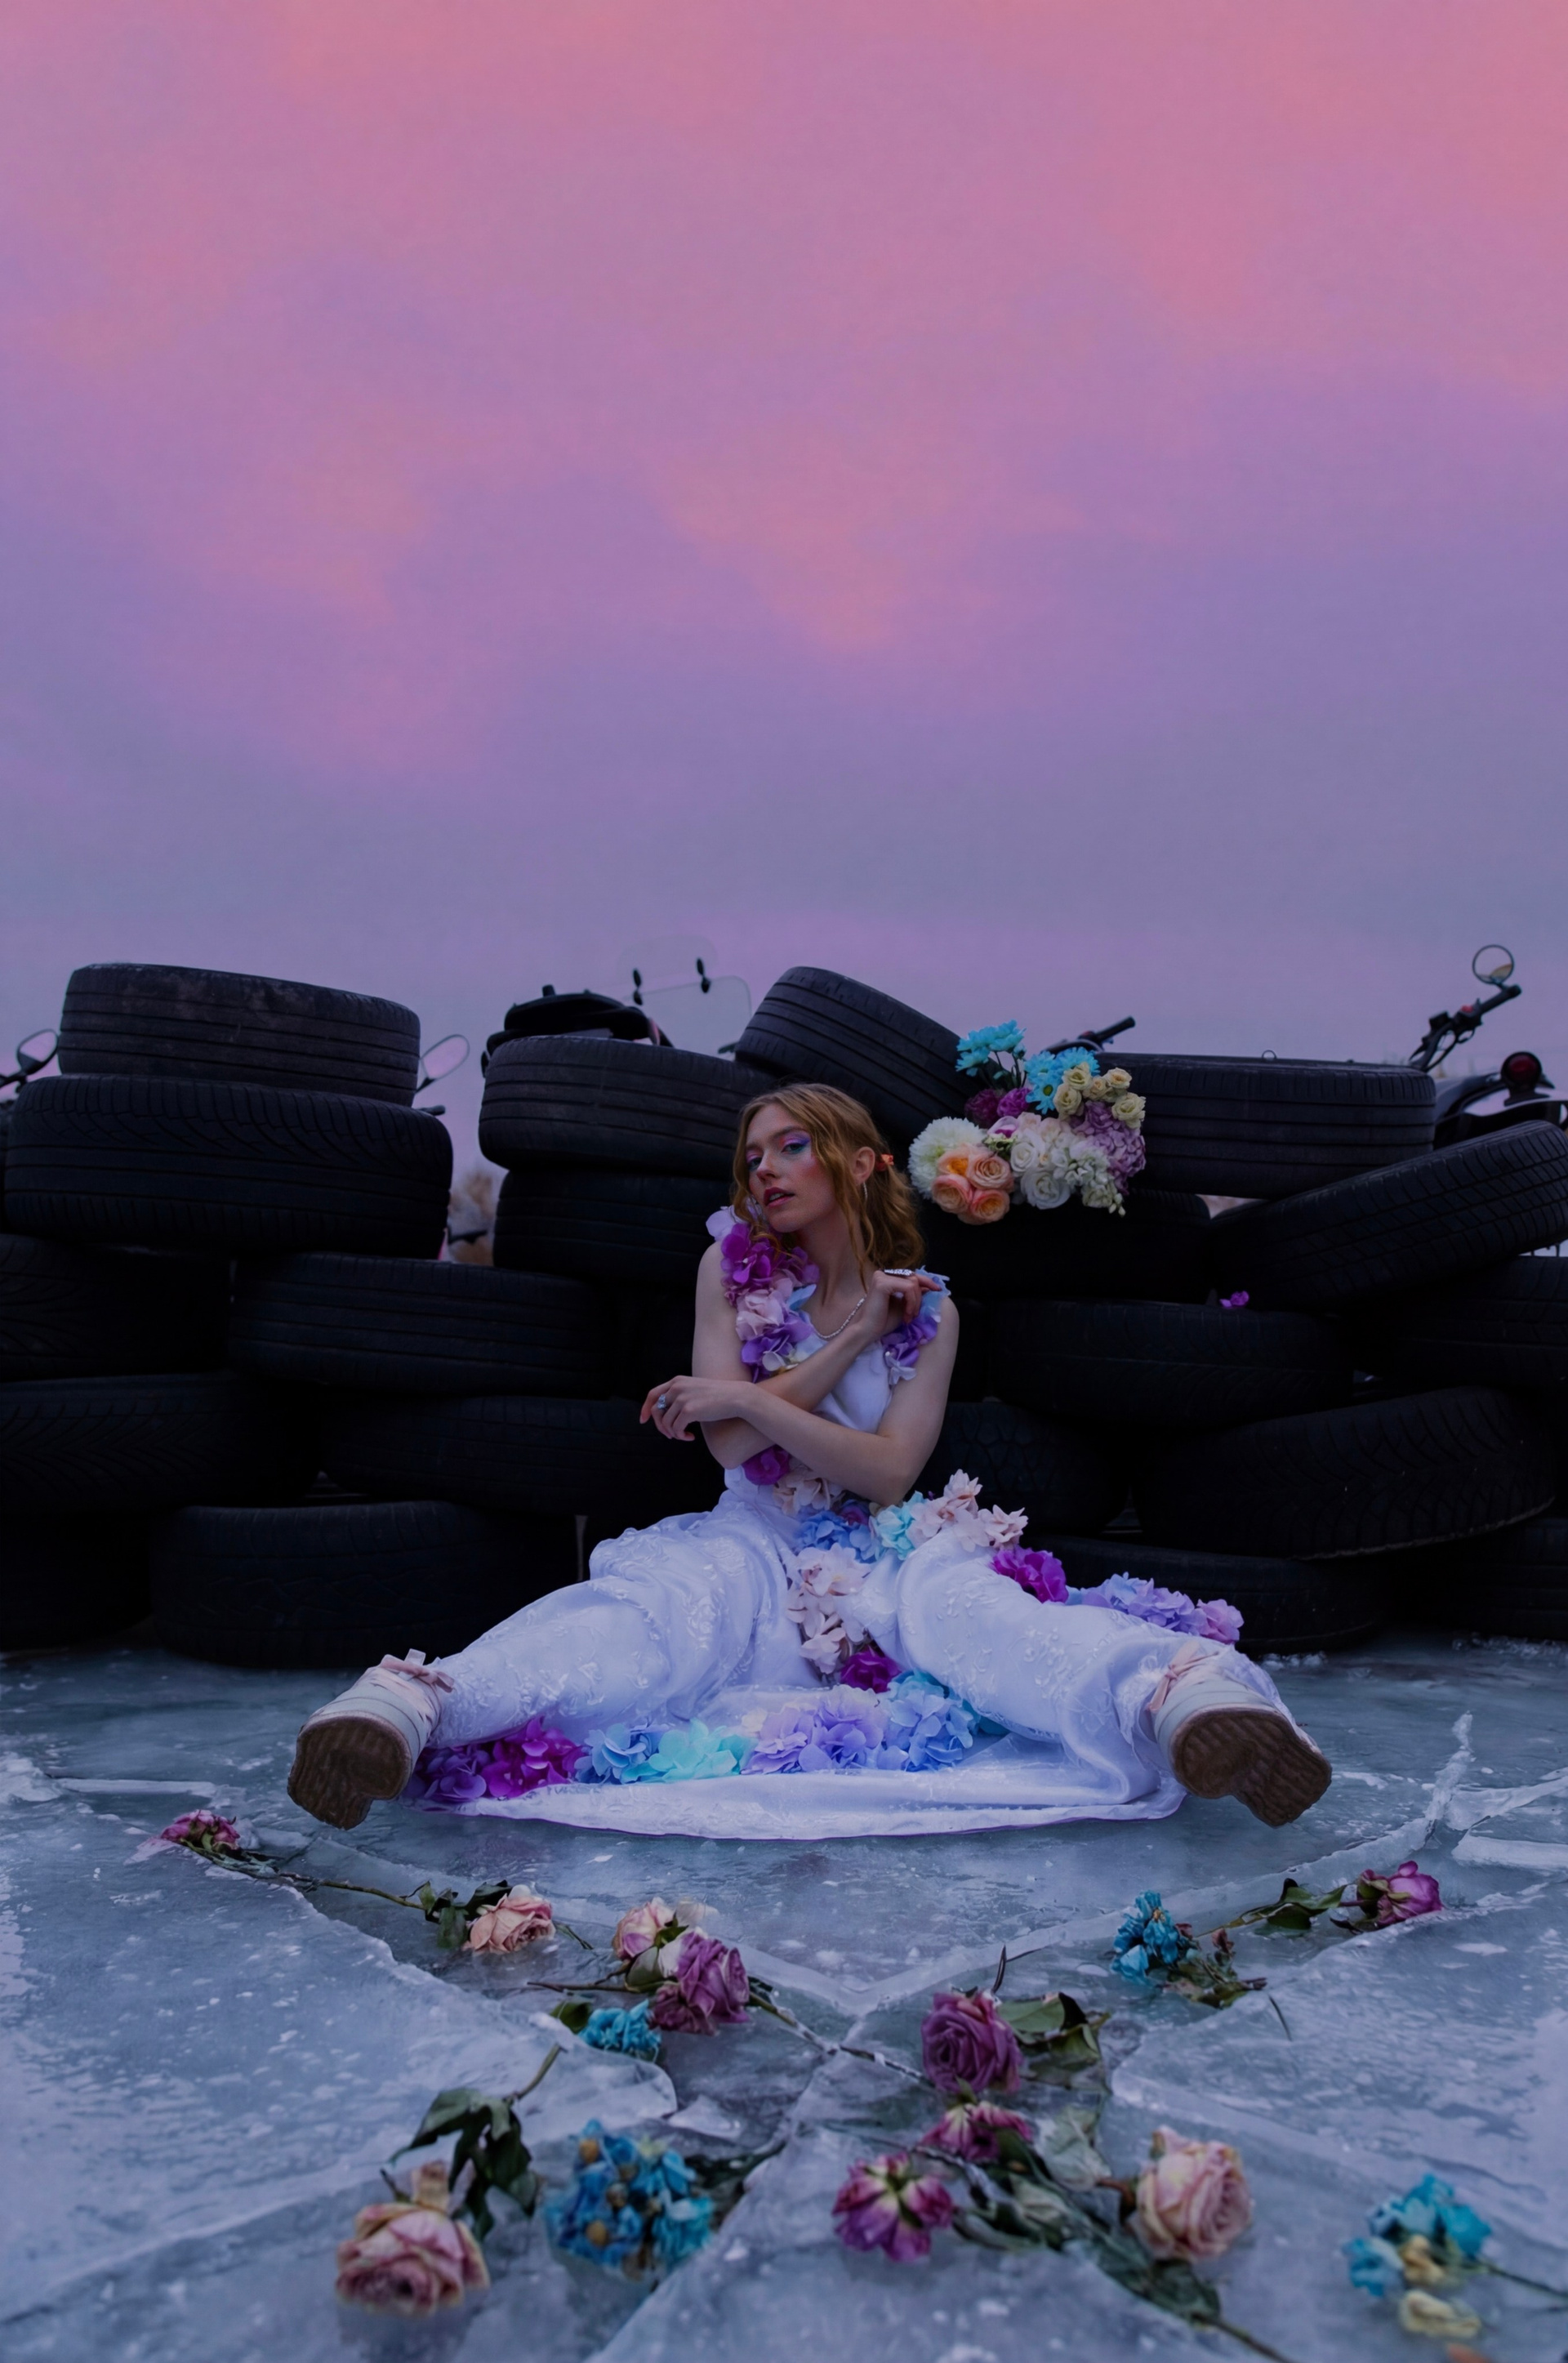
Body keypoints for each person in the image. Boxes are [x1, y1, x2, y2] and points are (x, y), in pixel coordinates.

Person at [287, 1084, 1330, 1835]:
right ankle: (416, 1703)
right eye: (753, 1158)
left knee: (980, 1620)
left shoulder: (931, 1310)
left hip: (890, 1545)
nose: (765, 1171)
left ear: (859, 1162)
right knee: (655, 1615)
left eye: (792, 1148)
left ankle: (1178, 1701)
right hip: (754, 1533)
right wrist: (832, 1349)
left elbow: (886, 1472)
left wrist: (751, 1389)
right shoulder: (728, 1269)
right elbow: (734, 1446)